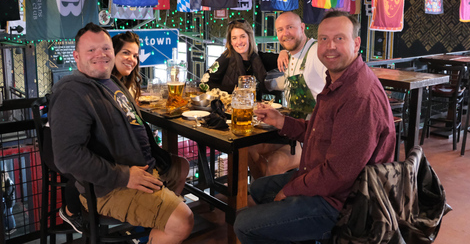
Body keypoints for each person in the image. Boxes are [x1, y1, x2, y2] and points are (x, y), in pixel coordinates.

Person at [233, 10, 396, 243]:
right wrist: (282, 122)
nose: (330, 46)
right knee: (258, 189)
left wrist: (291, 190)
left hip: (346, 203)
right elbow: (322, 130)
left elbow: (339, 174)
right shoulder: (337, 79)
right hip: (322, 176)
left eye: (339, 38)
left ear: (356, 43)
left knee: (245, 224)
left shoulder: (359, 96)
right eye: (324, 39)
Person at [50, 23, 194, 244]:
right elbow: (67, 157)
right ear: (76, 56)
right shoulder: (72, 91)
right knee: (182, 220)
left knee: (180, 167)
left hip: (143, 168)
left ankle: (150, 229)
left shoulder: (110, 81)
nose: (101, 55)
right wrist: (125, 176)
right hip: (109, 188)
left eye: (106, 49)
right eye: (91, 50)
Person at [247, 11, 327, 180]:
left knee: (275, 163)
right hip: (291, 130)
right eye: (280, 30)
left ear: (302, 28)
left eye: (290, 27)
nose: (285, 33)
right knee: (248, 148)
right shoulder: (291, 56)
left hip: (311, 138)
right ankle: (263, 193)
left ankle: (272, 196)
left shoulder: (317, 53)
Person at [200, 19, 279, 97]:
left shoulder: (259, 57)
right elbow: (203, 84)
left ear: (249, 38)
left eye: (242, 36)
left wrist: (284, 53)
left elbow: (286, 59)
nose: (239, 42)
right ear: (231, 42)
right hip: (230, 107)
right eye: (234, 38)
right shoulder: (226, 58)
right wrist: (234, 90)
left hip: (255, 107)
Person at [2, 171, 16, 236]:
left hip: (10, 201)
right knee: (6, 214)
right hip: (7, 201)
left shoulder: (9, 182)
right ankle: (7, 227)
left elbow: (7, 192)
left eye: (2, 176)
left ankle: (12, 227)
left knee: (9, 214)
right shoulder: (6, 182)